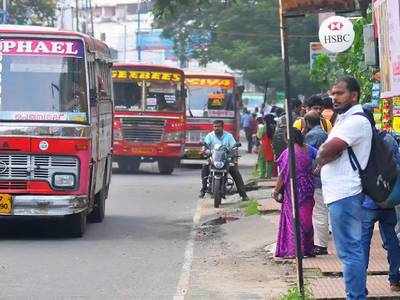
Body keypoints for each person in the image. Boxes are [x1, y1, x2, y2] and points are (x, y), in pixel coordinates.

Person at [316, 76, 372, 299]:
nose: (334, 97)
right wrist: (324, 153)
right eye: (333, 93)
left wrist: (322, 155)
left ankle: (355, 296)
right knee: (350, 250)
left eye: (339, 93)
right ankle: (357, 293)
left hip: (345, 193)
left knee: (350, 251)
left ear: (354, 95)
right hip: (339, 194)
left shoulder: (356, 121)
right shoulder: (343, 119)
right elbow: (327, 151)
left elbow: (326, 151)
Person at [360, 106, 400, 292]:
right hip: (387, 199)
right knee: (392, 239)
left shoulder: (361, 142)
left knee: (363, 243)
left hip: (367, 201)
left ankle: (361, 283)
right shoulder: (389, 139)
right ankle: (395, 279)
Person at [272, 128, 315, 258]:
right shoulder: (309, 149)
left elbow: (283, 174)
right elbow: (320, 158)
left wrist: (275, 191)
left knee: (293, 218)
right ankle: (307, 248)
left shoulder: (288, 152)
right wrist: (313, 171)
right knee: (306, 218)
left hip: (293, 189)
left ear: (288, 138)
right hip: (308, 187)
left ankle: (294, 250)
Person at [199, 120, 249, 201]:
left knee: (236, 173)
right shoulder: (210, 136)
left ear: (222, 127)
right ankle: (203, 190)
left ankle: (243, 195)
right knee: (205, 169)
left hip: (225, 160)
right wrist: (204, 150)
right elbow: (205, 145)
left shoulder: (228, 136)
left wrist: (234, 153)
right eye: (215, 126)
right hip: (213, 159)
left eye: (218, 126)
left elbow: (234, 146)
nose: (216, 128)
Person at [304, 111, 329, 256]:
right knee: (322, 211)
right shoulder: (323, 133)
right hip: (323, 177)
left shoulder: (312, 136)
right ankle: (321, 243)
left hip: (317, 178)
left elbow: (307, 156)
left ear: (307, 123)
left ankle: (321, 244)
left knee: (319, 211)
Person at [256, 115, 275, 179]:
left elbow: (259, 136)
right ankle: (269, 175)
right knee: (270, 160)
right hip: (271, 145)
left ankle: (262, 174)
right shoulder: (274, 127)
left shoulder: (263, 127)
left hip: (264, 145)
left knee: (262, 160)